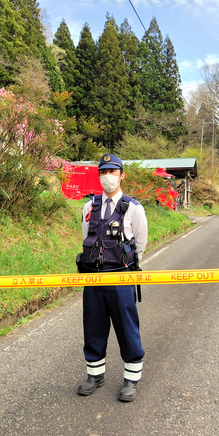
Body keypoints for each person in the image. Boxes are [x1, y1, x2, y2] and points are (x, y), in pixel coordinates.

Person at [76, 153, 148, 402]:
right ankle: (95, 375)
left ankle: (132, 378)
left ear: (121, 175)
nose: (107, 177)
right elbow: (87, 237)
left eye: (113, 172)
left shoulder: (134, 208)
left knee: (127, 328)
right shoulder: (89, 206)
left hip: (121, 278)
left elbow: (140, 244)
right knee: (93, 328)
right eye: (103, 172)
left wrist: (126, 266)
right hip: (93, 279)